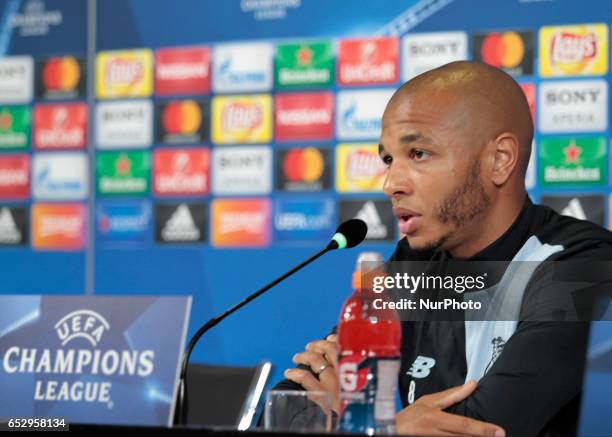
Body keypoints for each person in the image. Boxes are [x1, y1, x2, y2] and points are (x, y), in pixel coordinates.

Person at [274, 61, 612, 436]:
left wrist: (363, 423)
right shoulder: (412, 264)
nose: (390, 183)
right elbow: (287, 410)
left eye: (418, 153)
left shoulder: (583, 263)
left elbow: (482, 428)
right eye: (388, 159)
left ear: (500, 160)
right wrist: (385, 427)